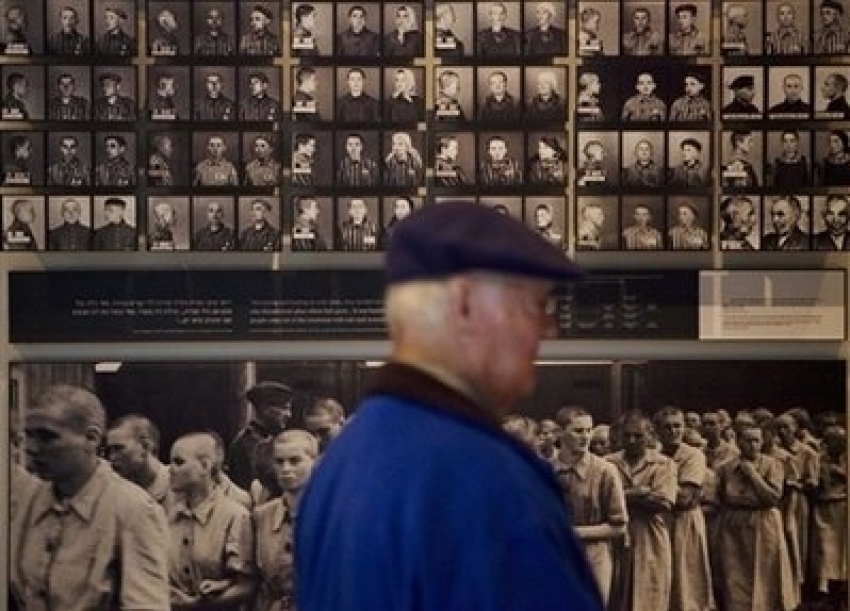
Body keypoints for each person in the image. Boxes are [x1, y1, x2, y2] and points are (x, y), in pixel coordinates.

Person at [296, 201, 602, 610]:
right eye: (537, 307)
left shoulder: (338, 467)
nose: (550, 328)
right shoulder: (485, 479)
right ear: (465, 305)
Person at [11, 385, 170, 610]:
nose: (33, 449)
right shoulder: (27, 500)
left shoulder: (133, 509)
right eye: (30, 436)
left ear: (92, 438)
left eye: (47, 437)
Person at [167, 432, 256, 611]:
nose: (170, 469)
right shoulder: (167, 516)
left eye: (178, 462)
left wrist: (197, 605)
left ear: (205, 466)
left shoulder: (235, 516)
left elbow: (246, 586)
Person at [714, 422, 797, 611]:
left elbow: (773, 497)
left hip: (764, 520)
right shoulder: (726, 468)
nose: (752, 445)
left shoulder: (773, 464)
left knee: (765, 571)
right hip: (734, 523)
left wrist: (753, 475)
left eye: (756, 440)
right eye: (747, 440)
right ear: (738, 441)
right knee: (736, 574)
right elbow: (720, 497)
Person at [551, 407, 627, 607]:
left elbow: (619, 526)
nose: (586, 437)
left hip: (595, 557)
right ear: (559, 433)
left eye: (589, 430)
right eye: (578, 431)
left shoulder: (605, 471)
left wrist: (575, 532)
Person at [606, 412, 677, 611]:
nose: (632, 440)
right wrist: (639, 492)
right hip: (616, 536)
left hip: (650, 535)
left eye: (638, 436)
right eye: (627, 435)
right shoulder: (608, 463)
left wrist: (621, 496)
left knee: (650, 594)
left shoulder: (664, 464)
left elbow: (664, 502)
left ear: (650, 436)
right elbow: (604, 501)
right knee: (617, 594)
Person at [654, 407, 715, 611]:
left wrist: (650, 490)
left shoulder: (693, 455)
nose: (673, 431)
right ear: (657, 431)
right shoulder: (653, 454)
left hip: (684, 521)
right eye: (667, 427)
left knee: (686, 576)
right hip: (660, 521)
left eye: (677, 426)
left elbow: (684, 499)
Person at [254, 431, 319, 611]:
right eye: (279, 462)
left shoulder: (332, 515)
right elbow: (254, 580)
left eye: (295, 461)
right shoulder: (261, 516)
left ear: (313, 461)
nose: (286, 469)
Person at [228, 381, 293, 494]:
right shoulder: (247, 444)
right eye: (284, 408)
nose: (289, 414)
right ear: (265, 409)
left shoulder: (272, 438)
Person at [810, 425, 848, 608]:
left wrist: (841, 474)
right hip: (824, 508)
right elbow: (813, 483)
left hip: (843, 508)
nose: (839, 444)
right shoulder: (818, 460)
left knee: (842, 551)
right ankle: (827, 591)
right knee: (826, 550)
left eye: (841, 441)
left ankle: (842, 589)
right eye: (833, 440)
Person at [105, 415, 174, 507]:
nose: (111, 457)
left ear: (146, 447)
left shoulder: (182, 487)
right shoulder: (113, 491)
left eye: (118, 448)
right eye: (110, 450)